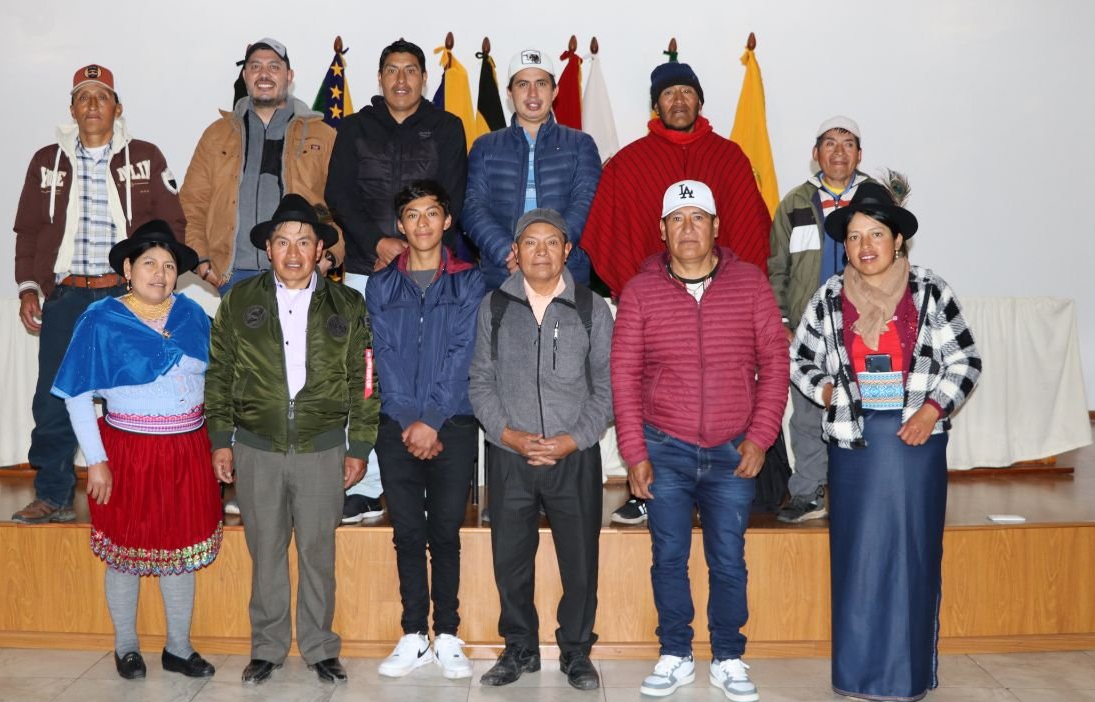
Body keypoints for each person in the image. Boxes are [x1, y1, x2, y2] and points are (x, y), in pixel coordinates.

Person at [790, 189, 981, 702]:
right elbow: (800, 360)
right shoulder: (830, 296)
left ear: (898, 240)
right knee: (857, 556)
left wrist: (932, 409)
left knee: (911, 555)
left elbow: (966, 359)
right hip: (853, 445)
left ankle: (905, 676)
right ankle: (854, 675)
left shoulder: (929, 291)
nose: (865, 245)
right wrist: (826, 391)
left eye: (876, 234)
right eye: (854, 237)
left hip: (914, 442)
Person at [611, 181, 787, 702]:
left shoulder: (751, 283)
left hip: (733, 449)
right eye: (677, 219)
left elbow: (775, 364)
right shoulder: (639, 291)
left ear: (716, 227)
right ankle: (676, 653)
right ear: (663, 231)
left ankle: (729, 655)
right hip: (664, 446)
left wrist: (760, 437)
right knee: (668, 556)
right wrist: (634, 452)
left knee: (728, 558)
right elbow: (624, 376)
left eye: (698, 218)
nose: (688, 229)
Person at [580, 61, 770, 525]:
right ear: (656, 104)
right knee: (646, 388)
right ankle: (648, 486)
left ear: (699, 100)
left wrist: (736, 290)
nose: (679, 100)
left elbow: (750, 231)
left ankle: (718, 488)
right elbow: (607, 231)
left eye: (687, 92)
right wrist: (639, 290)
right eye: (669, 94)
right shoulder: (630, 162)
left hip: (721, 303)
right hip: (653, 305)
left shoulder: (729, 157)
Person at [205, 194, 380, 686]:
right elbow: (219, 374)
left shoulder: (348, 304)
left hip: (321, 448)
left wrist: (359, 446)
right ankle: (267, 647)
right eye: (282, 242)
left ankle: (320, 647)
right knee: (266, 553)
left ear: (320, 249)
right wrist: (221, 439)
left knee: (318, 553)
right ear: (268, 249)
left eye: (304, 241)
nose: (294, 252)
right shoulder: (239, 300)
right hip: (256, 447)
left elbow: (365, 381)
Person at [12, 64, 186, 524]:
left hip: (122, 299)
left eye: (102, 96)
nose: (92, 104)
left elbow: (172, 224)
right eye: (83, 97)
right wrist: (29, 287)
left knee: (128, 396)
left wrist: (153, 285)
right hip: (67, 296)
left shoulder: (145, 156)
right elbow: (28, 230)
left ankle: (131, 493)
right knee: (55, 396)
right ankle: (52, 494)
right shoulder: (46, 162)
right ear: (72, 109)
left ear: (117, 108)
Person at [51, 220, 221, 680]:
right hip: (127, 453)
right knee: (124, 551)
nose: (160, 274)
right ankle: (126, 646)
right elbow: (76, 394)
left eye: (169, 266)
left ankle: (179, 648)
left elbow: (220, 381)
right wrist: (96, 461)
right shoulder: (101, 320)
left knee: (179, 551)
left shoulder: (192, 316)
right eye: (149, 263)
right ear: (128, 269)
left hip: (187, 450)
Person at [469, 208, 614, 691]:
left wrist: (574, 439)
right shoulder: (494, 306)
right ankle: (519, 648)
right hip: (511, 454)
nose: (541, 252)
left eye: (552, 242)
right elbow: (480, 382)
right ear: (516, 251)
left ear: (567, 250)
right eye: (531, 242)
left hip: (574, 454)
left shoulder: (591, 307)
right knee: (510, 559)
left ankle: (576, 651)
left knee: (580, 560)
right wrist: (508, 435)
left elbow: (607, 388)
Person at [326, 38, 468, 524]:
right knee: (368, 377)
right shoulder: (355, 127)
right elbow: (338, 194)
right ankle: (366, 486)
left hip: (430, 272)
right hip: (367, 271)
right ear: (380, 77)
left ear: (424, 78)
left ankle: (423, 480)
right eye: (392, 70)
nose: (401, 79)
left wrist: (414, 246)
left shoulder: (446, 127)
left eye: (411, 70)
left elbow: (453, 196)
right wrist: (378, 242)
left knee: (426, 370)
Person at [365, 181, 486, 680]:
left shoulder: (469, 281)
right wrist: (408, 419)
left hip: (452, 423)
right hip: (396, 424)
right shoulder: (380, 285)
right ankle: (415, 633)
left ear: (447, 221)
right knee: (408, 532)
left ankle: (449, 633)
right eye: (412, 215)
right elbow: (383, 355)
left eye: (432, 213)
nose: (422, 223)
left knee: (445, 532)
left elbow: (463, 353)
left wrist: (431, 420)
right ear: (400, 224)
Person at [768, 116, 877, 524]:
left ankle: (866, 492)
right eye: (830, 143)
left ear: (859, 155)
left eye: (848, 144)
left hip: (865, 328)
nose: (838, 151)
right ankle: (808, 493)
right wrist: (782, 320)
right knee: (808, 415)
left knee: (868, 411)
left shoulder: (875, 199)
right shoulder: (794, 203)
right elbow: (777, 267)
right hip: (807, 332)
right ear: (816, 154)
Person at [182, 38, 343, 295]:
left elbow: (341, 205)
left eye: (274, 67)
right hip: (234, 276)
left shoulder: (323, 136)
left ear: (289, 76)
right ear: (245, 75)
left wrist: (330, 256)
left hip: (300, 271)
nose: (264, 74)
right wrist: (200, 260)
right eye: (255, 66)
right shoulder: (216, 135)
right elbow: (193, 203)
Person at [463, 48, 601, 290]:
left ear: (555, 91)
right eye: (523, 84)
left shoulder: (581, 144)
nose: (533, 93)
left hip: (567, 275)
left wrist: (551, 251)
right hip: (502, 275)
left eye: (541, 83)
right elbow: (472, 207)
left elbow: (587, 202)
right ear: (509, 93)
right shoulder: (484, 147)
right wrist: (511, 254)